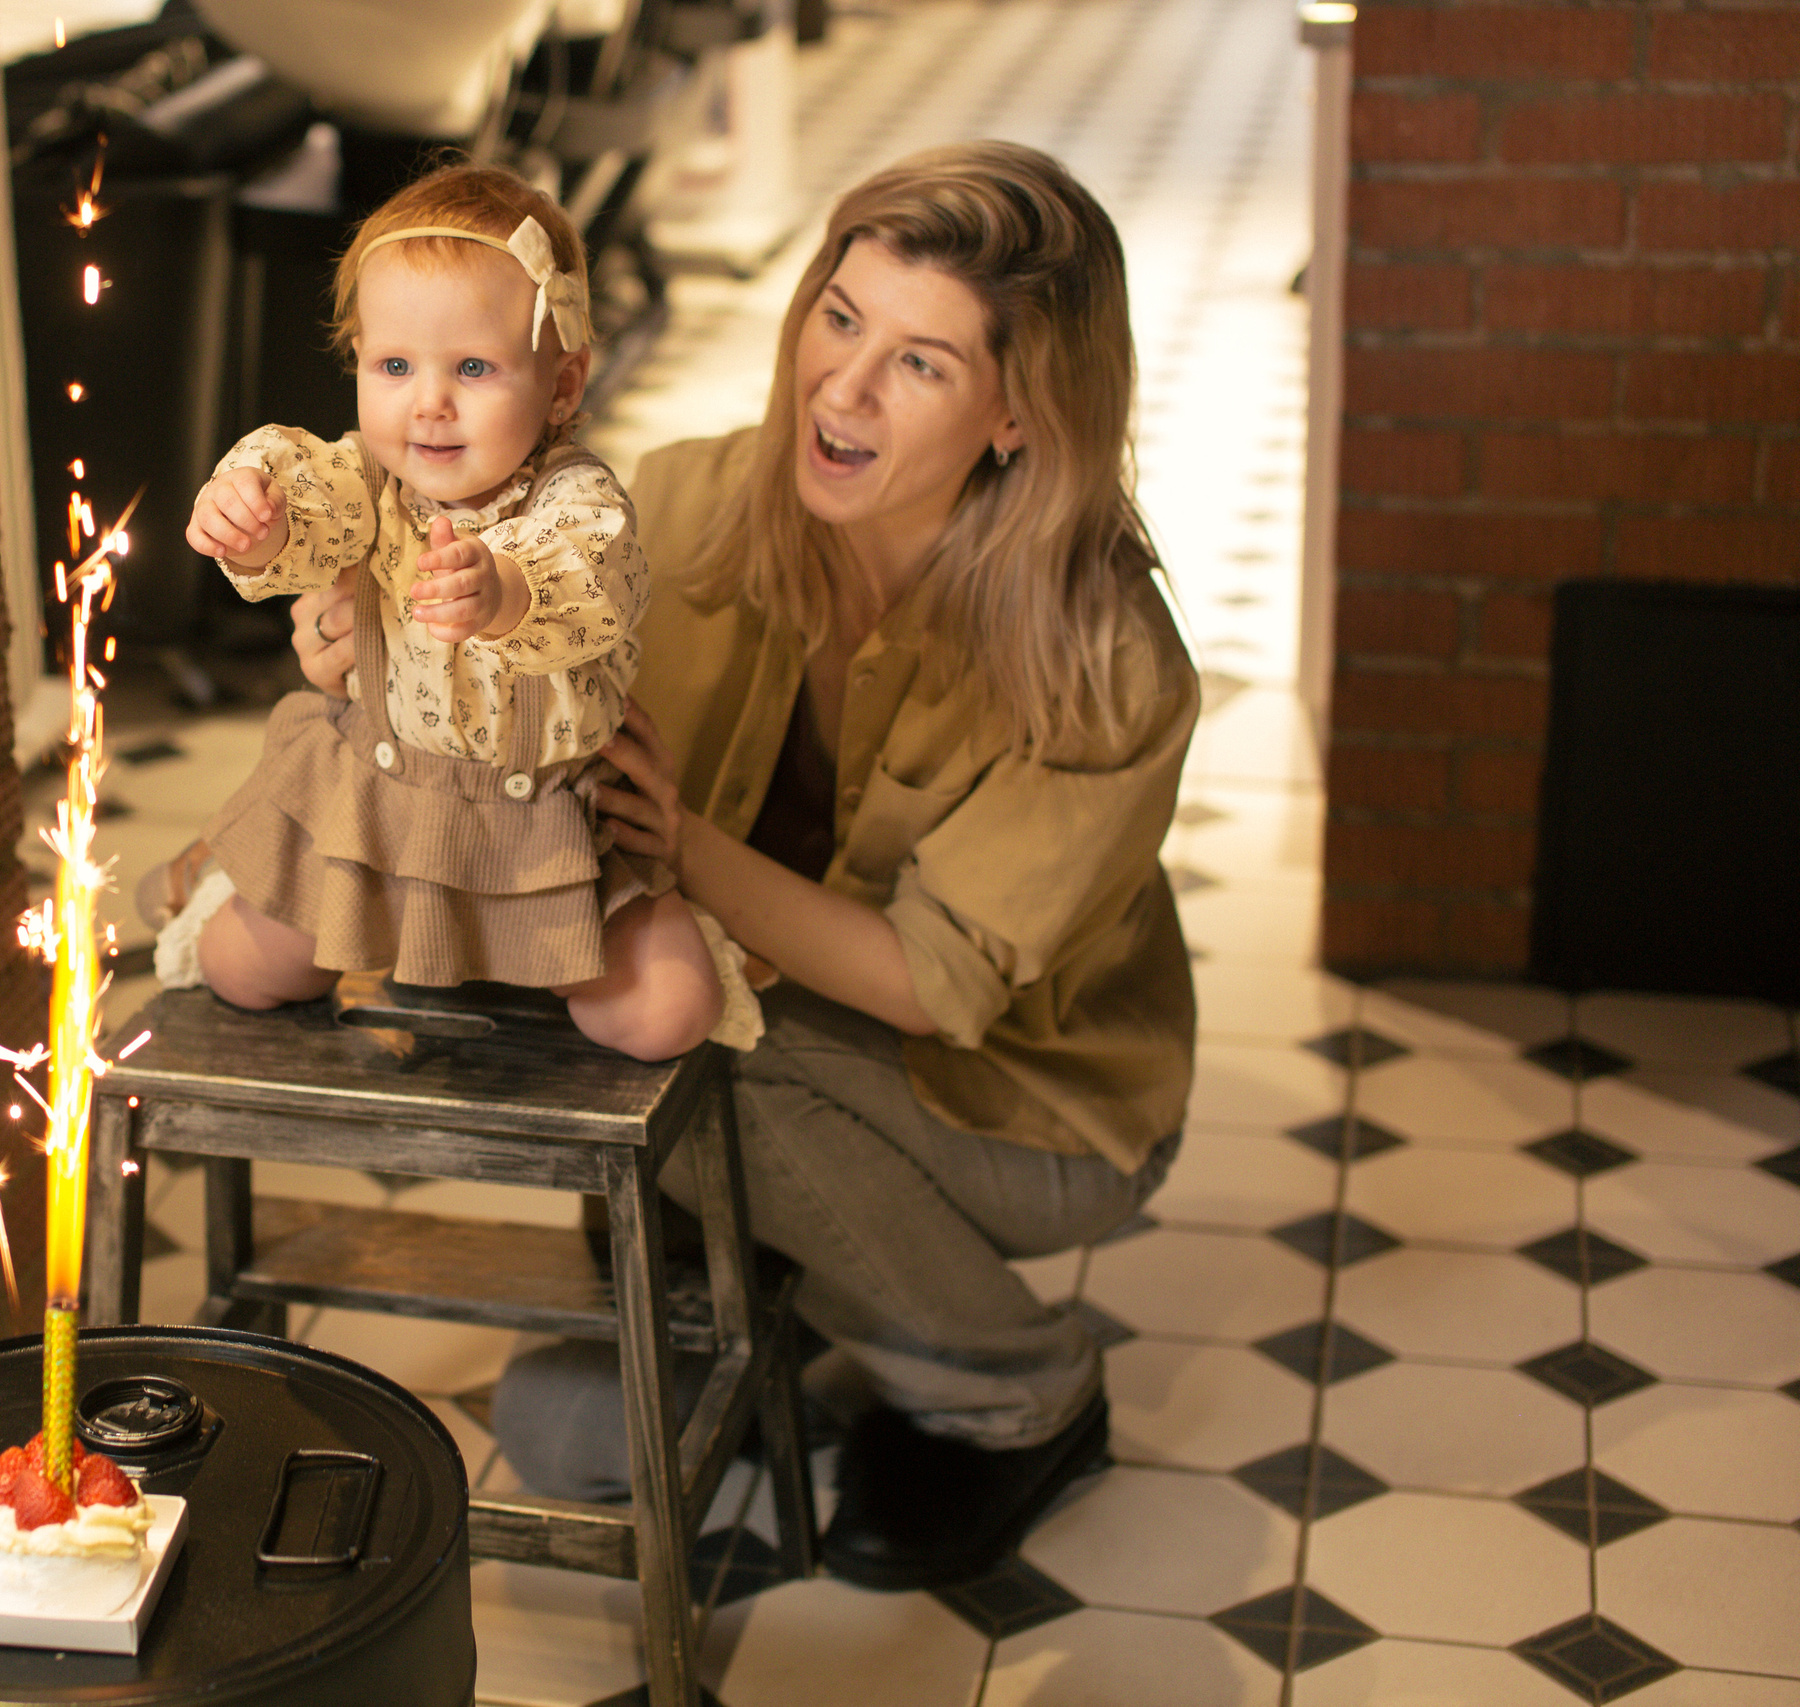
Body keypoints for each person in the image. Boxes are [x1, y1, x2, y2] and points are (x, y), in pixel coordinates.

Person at [285, 141, 1198, 1589]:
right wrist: (365, 641)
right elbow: (491, 702)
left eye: (920, 365)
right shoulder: (680, 496)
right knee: (564, 1427)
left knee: (708, 1030)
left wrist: (686, 849)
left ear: (1019, 412)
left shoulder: (1107, 659)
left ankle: (1018, 1393)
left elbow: (935, 986)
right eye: (840, 317)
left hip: (1031, 1105)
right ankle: (805, 1301)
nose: (842, 389)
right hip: (768, 1024)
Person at [176, 162, 725, 1062]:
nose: (428, 403)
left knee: (668, 1012)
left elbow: (593, 582)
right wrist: (255, 518)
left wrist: (505, 591)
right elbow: (310, 502)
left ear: (562, 385)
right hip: (383, 794)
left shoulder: (578, 499)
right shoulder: (370, 481)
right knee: (241, 968)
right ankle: (220, 879)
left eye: (473, 367)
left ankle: (521, 947)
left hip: (547, 819)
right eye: (394, 365)